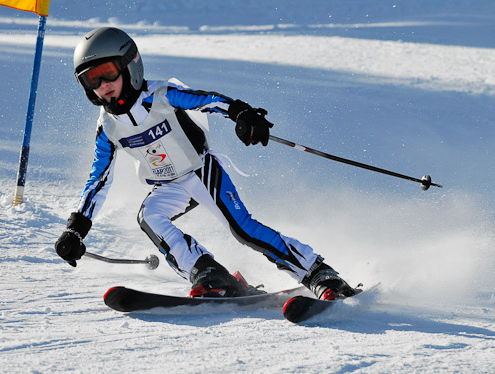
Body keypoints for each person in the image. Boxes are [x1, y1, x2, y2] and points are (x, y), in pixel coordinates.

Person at [55, 27, 357, 300]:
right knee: (149, 216)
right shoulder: (107, 127)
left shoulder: (160, 95)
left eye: (108, 72)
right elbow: (98, 180)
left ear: (129, 65)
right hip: (168, 185)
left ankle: (318, 273)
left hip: (201, 171)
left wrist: (241, 114)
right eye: (91, 79)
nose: (103, 85)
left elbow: (206, 99)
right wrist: (76, 229)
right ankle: (208, 272)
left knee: (243, 229)